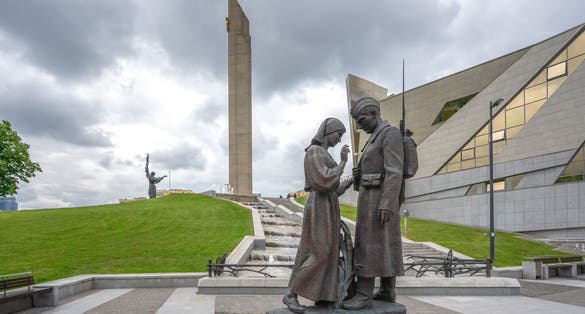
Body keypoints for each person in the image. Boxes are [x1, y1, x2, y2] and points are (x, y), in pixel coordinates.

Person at [283, 118, 353, 313]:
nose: (339, 140)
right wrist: (343, 163)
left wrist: (349, 181)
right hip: (319, 206)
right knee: (319, 252)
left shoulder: (324, 154)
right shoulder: (314, 152)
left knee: (329, 252)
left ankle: (323, 296)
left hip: (328, 204)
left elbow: (334, 188)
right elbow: (323, 181)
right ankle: (291, 294)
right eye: (338, 135)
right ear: (327, 132)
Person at [342, 97, 404, 310]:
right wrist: (358, 176)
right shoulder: (373, 138)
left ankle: (364, 294)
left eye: (361, 120)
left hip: (379, 199)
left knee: (369, 244)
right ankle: (387, 291)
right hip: (369, 197)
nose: (359, 125)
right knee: (381, 243)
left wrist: (387, 202)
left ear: (373, 113)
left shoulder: (390, 134)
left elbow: (395, 171)